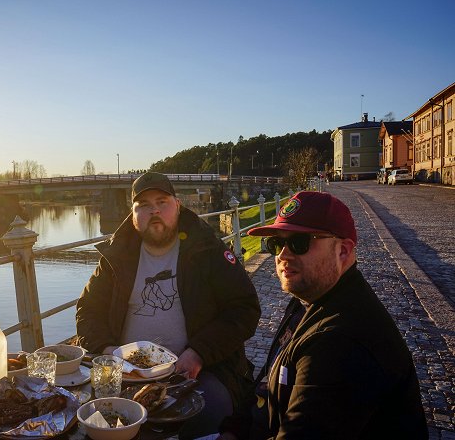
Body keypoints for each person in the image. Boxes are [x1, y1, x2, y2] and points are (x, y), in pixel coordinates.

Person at [217, 191, 427, 440]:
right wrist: (232, 431)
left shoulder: (343, 341)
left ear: (343, 251)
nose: (283, 255)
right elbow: (266, 379)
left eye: (299, 242)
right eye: (276, 244)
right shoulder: (307, 299)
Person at [76, 172, 261, 439]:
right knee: (88, 418)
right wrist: (108, 351)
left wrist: (199, 352)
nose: (154, 211)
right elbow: (88, 310)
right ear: (133, 213)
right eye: (144, 206)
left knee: (206, 414)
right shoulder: (116, 256)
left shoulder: (207, 249)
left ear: (177, 205)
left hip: (198, 370)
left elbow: (245, 309)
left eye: (162, 202)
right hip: (127, 373)